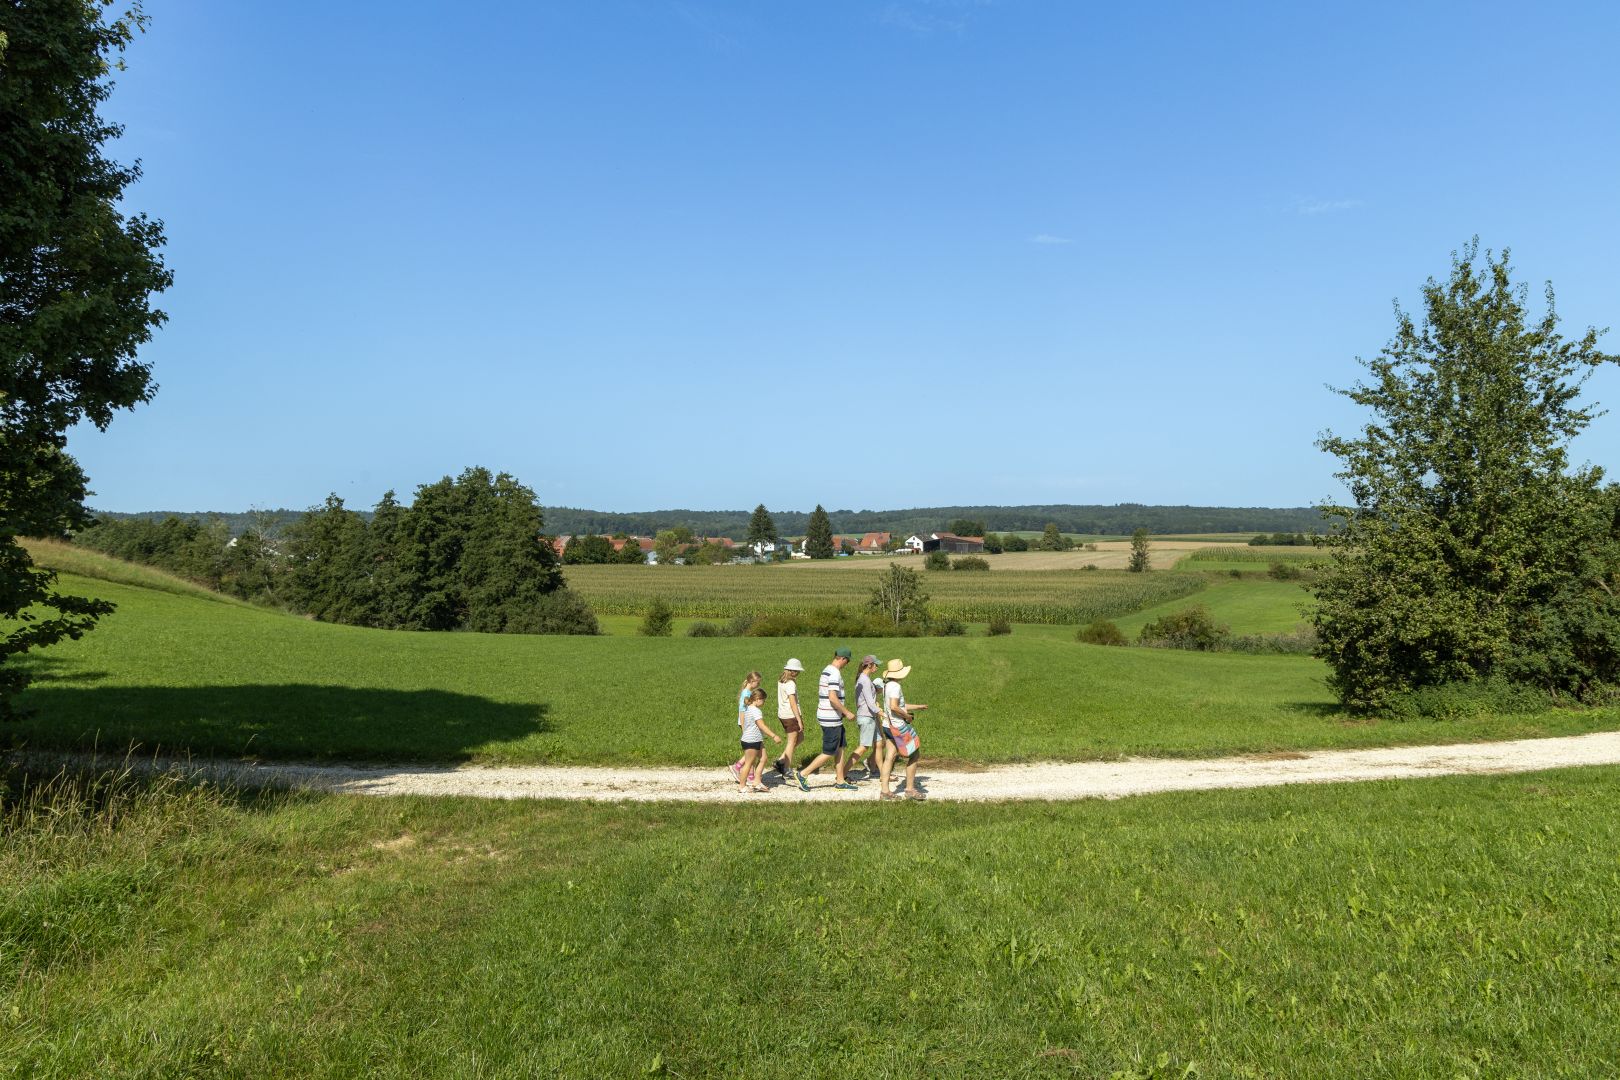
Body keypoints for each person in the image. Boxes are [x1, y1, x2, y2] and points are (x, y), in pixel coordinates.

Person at [795, 647, 858, 792]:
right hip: (831, 718)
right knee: (829, 751)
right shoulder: (834, 673)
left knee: (840, 747)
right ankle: (803, 774)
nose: (847, 664)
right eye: (847, 661)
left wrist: (841, 712)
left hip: (832, 715)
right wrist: (847, 712)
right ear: (843, 659)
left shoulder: (827, 669)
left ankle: (840, 780)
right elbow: (833, 698)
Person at [878, 658, 928, 800]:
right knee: (914, 754)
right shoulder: (896, 686)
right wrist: (907, 717)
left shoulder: (887, 685)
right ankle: (910, 789)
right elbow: (894, 707)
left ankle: (885, 791)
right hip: (898, 726)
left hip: (888, 725)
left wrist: (918, 707)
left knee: (890, 756)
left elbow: (897, 705)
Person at [845, 654, 883, 779]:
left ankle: (882, 773)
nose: (877, 667)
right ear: (869, 665)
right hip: (867, 718)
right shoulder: (864, 680)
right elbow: (870, 703)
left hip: (870, 717)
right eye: (876, 665)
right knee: (863, 747)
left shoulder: (865, 678)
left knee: (879, 744)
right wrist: (882, 713)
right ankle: (842, 773)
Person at [736, 688, 781, 794]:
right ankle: (742, 786)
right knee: (748, 764)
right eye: (763, 700)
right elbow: (761, 725)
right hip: (751, 740)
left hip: (756, 739)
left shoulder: (748, 708)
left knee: (763, 758)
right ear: (757, 699)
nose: (764, 702)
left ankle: (757, 782)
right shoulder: (756, 711)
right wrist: (774, 736)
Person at [772, 659, 805, 778]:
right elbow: (793, 703)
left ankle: (780, 761)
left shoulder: (781, 680)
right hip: (791, 715)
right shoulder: (790, 684)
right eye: (798, 671)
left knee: (800, 738)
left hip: (783, 714)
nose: (798, 673)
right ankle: (786, 768)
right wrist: (799, 720)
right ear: (793, 671)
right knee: (792, 742)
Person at [730, 671, 763, 785]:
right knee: (752, 750)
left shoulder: (748, 692)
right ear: (752, 681)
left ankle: (750, 774)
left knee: (753, 750)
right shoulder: (746, 694)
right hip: (745, 723)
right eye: (757, 682)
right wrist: (744, 728)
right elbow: (742, 711)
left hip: (747, 723)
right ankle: (738, 767)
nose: (758, 685)